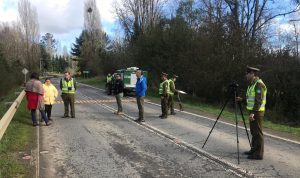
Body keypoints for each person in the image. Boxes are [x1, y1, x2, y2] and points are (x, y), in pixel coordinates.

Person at [237, 66, 267, 160]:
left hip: (257, 112)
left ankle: (259, 154)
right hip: (253, 111)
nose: (246, 75)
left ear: (252, 74)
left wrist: (253, 113)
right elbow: (251, 98)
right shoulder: (251, 84)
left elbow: (258, 101)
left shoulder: (259, 84)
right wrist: (242, 99)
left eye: (247, 74)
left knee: (258, 133)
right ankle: (254, 150)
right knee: (254, 132)